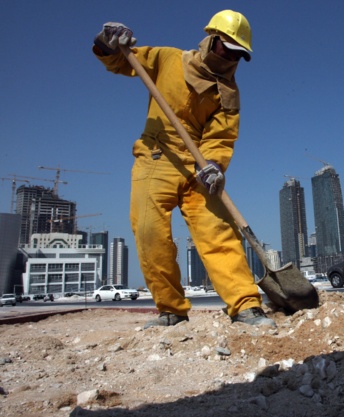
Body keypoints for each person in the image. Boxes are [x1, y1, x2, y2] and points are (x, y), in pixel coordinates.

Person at [92, 10, 276, 328]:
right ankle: (171, 310)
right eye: (226, 48)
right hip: (156, 157)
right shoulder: (169, 60)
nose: (229, 57)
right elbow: (122, 61)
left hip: (199, 168)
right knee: (150, 232)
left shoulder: (228, 93)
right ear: (211, 39)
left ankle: (246, 306)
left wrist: (215, 166)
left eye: (237, 54)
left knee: (218, 233)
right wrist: (108, 43)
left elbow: (222, 136)